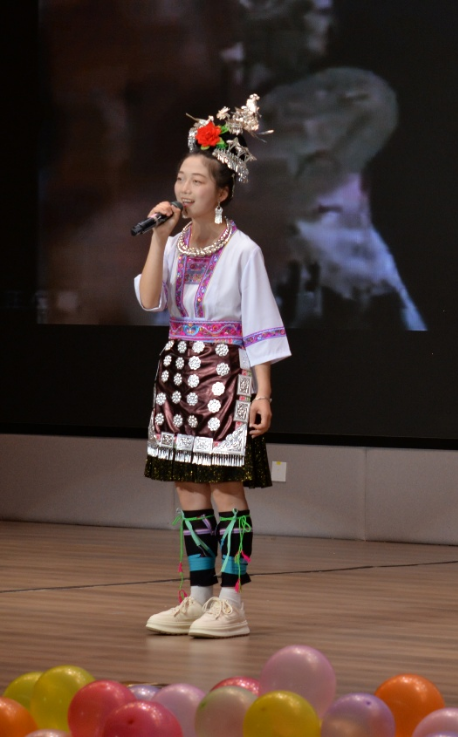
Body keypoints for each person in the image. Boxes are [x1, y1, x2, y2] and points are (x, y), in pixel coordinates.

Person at [136, 95, 290, 638]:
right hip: (179, 372)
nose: (184, 189)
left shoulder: (244, 250)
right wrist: (159, 238)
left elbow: (260, 325)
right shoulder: (174, 244)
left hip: (226, 374)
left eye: (197, 181)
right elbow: (150, 300)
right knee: (187, 488)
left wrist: (262, 394)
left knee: (226, 490)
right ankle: (198, 595)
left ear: (222, 192)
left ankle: (232, 601)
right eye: (181, 179)